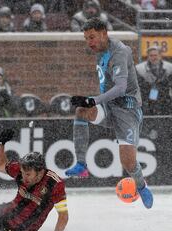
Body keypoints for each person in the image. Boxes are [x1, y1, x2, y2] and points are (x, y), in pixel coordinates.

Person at [65, 17, 153, 209]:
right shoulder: (100, 51)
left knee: (128, 163)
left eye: (92, 37)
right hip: (109, 106)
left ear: (104, 33)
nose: (90, 42)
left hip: (128, 109)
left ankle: (142, 185)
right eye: (87, 38)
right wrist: (90, 102)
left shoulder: (119, 52)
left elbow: (121, 88)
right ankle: (81, 164)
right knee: (81, 111)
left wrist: (93, 100)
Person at [135, 45, 172, 115]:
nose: (153, 57)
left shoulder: (169, 68)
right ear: (148, 57)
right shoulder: (140, 69)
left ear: (160, 56)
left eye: (155, 55)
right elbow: (138, 87)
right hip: (147, 102)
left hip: (165, 102)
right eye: (151, 55)